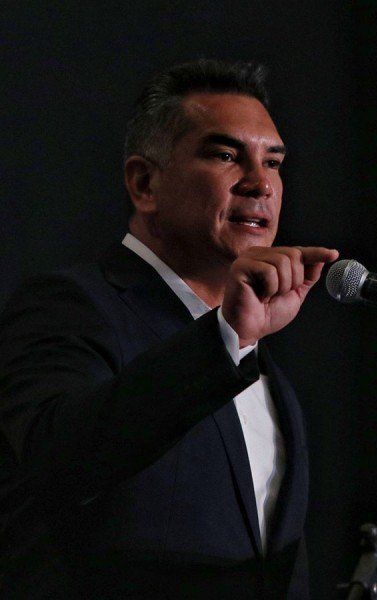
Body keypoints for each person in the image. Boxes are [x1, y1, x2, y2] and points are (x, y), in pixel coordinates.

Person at [0, 59, 338, 599]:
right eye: (226, 155)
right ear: (145, 183)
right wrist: (225, 339)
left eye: (273, 162)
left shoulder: (262, 364)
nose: (260, 184)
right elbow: (56, 459)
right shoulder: (70, 306)